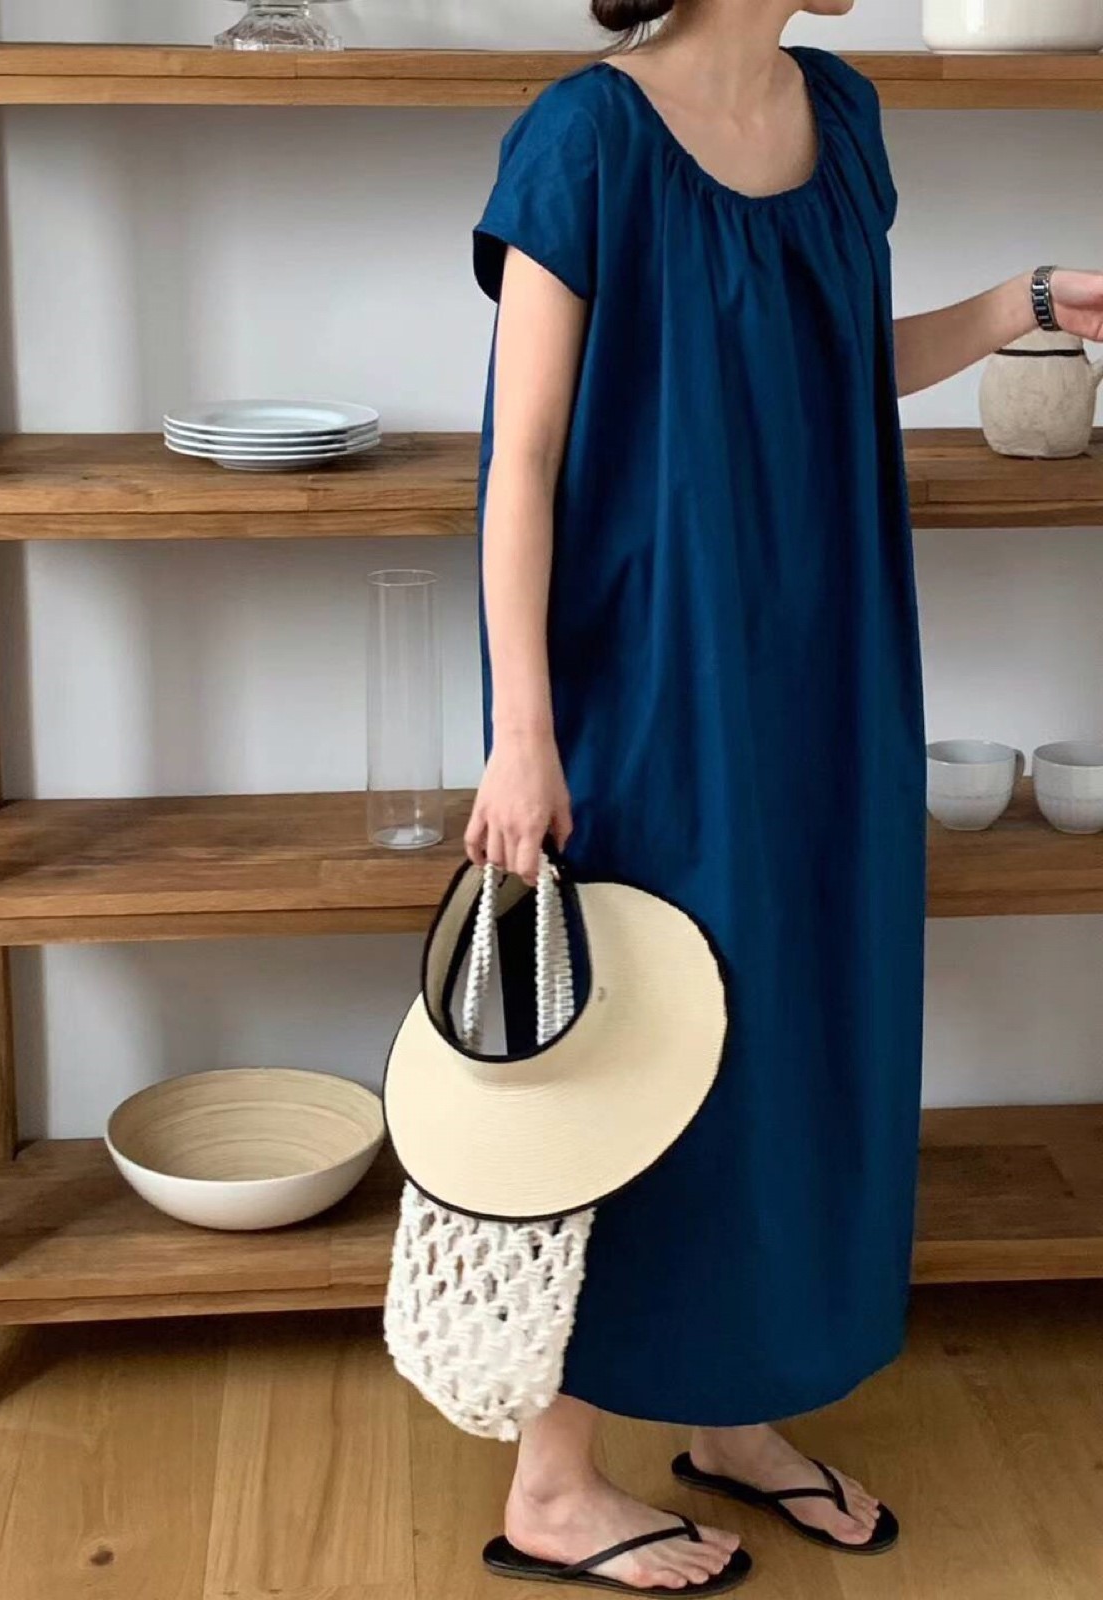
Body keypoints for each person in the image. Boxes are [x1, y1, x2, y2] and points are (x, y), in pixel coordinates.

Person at [461, 0, 1103, 1594]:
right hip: (642, 672)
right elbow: (523, 455)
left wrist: (1025, 303)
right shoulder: (585, 138)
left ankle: (733, 1414)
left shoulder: (845, 114)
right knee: (629, 1050)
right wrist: (524, 733)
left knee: (791, 1024)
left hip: (824, 657)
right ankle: (552, 1482)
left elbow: (831, 368)